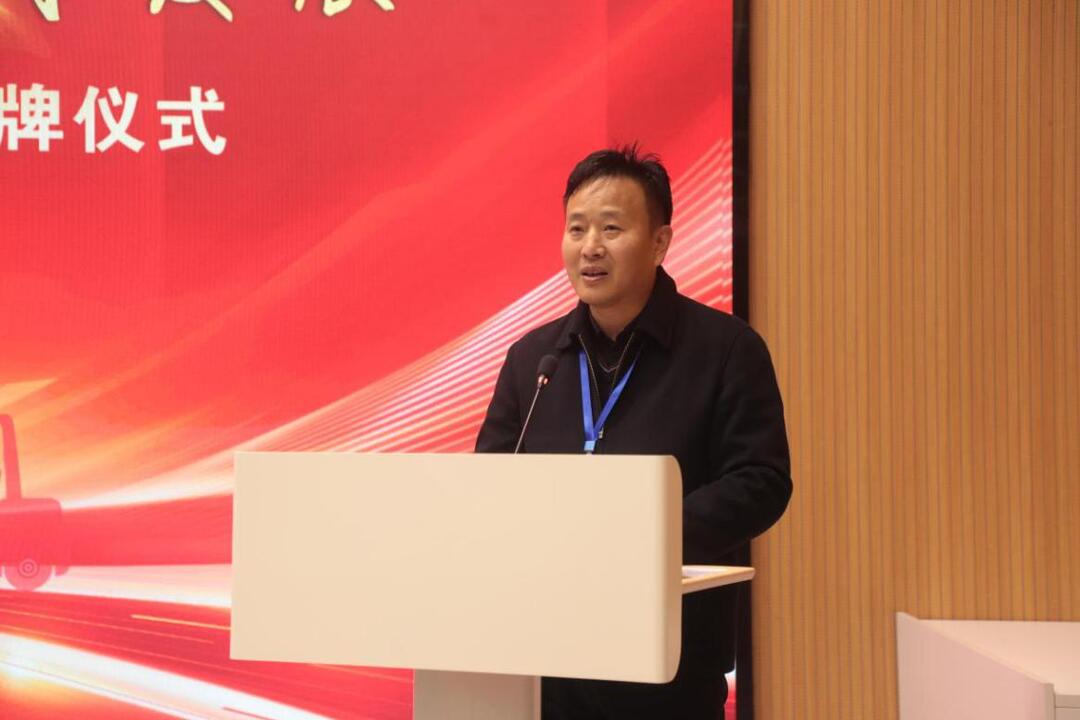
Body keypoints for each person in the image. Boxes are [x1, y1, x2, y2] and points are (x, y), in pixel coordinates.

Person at [475, 146, 792, 720]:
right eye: (577, 228)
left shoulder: (725, 349)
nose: (590, 246)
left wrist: (644, 537)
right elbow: (489, 484)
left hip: (667, 665)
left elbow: (761, 480)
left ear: (660, 242)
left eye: (612, 228)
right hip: (546, 660)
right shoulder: (534, 361)